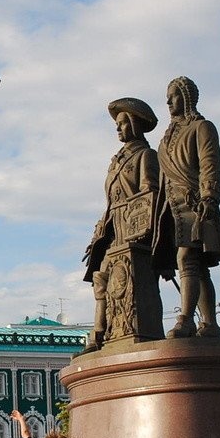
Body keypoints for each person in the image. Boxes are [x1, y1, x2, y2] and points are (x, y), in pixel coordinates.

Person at [82, 97, 165, 350]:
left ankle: (129, 331)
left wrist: (143, 232)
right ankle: (99, 333)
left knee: (130, 282)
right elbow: (110, 202)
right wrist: (98, 235)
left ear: (134, 124)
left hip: (133, 230)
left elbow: (149, 194)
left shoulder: (146, 155)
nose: (118, 128)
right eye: (117, 124)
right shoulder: (116, 161)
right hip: (113, 229)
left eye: (122, 123)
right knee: (101, 278)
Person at [151, 76, 220, 338]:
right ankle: (209, 323)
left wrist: (209, 196)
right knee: (197, 265)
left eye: (172, 95)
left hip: (196, 205)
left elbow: (211, 164)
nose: (167, 101)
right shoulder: (165, 140)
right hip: (173, 210)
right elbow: (161, 182)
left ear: (185, 97)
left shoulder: (202, 127)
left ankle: (186, 319)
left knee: (187, 258)